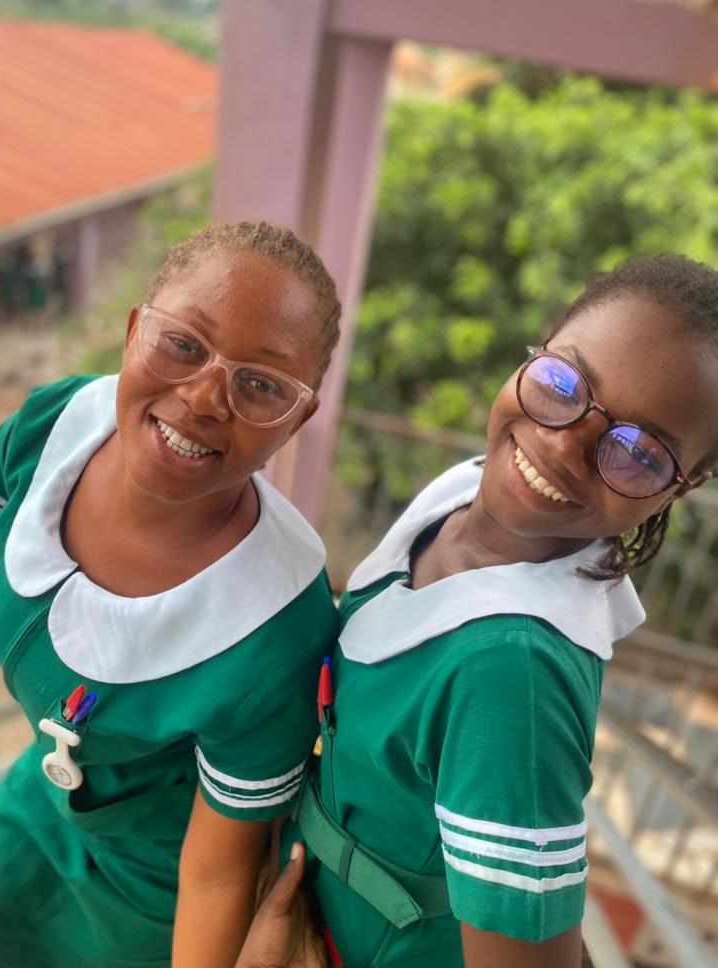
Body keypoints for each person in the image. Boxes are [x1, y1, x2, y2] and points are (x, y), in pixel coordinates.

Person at [238, 254, 718, 968]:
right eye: (564, 382)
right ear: (539, 348)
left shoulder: (510, 674)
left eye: (640, 454)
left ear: (684, 485)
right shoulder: (462, 496)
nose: (563, 445)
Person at [0, 220, 342, 968]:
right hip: (41, 809)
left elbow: (215, 873)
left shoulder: (278, 630)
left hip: (159, 887)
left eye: (261, 384)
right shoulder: (57, 428)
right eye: (183, 344)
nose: (204, 397)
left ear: (297, 418)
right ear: (136, 329)